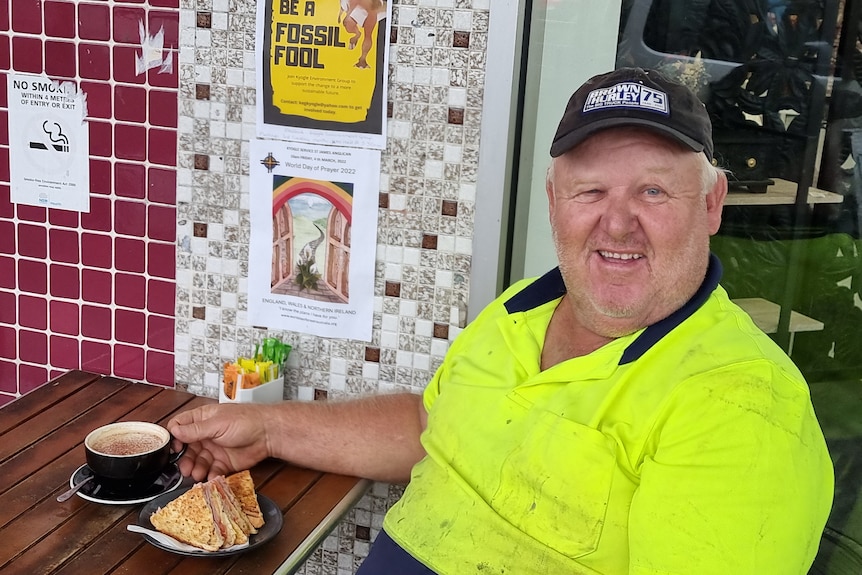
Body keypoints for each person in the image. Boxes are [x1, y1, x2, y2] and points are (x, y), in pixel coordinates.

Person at [168, 67, 834, 574]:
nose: (618, 221)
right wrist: (266, 426)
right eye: (591, 191)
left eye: (653, 190)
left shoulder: (744, 403)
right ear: (554, 202)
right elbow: (432, 424)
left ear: (713, 203)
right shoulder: (522, 309)